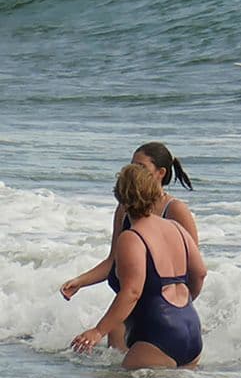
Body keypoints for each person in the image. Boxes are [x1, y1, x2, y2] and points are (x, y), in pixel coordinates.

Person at [61, 143, 199, 349]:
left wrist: (180, 304)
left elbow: (191, 268)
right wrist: (81, 281)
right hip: (125, 306)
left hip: (159, 309)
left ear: (161, 173)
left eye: (141, 167)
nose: (133, 171)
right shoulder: (124, 209)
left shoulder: (175, 210)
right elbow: (112, 261)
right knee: (115, 375)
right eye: (132, 165)